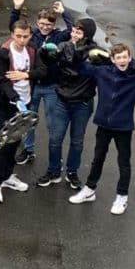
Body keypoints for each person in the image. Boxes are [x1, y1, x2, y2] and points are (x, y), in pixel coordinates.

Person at [69, 44, 135, 214]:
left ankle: (122, 197)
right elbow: (80, 67)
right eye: (118, 57)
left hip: (123, 127)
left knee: (123, 163)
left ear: (129, 58)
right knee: (97, 159)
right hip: (103, 125)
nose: (122, 60)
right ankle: (89, 190)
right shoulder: (102, 72)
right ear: (112, 60)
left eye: (124, 57)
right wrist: (80, 51)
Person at [0, 19, 46, 204]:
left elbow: (43, 71)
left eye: (25, 36)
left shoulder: (33, 50)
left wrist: (26, 75)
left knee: (15, 141)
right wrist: (15, 99)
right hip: (7, 103)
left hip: (26, 102)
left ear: (30, 35)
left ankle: (7, 176)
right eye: (18, 36)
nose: (22, 40)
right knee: (3, 142)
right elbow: (2, 79)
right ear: (12, 35)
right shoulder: (4, 51)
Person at [9, 0, 72, 165]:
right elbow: (13, 27)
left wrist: (64, 12)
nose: (45, 27)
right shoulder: (32, 37)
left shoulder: (59, 36)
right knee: (29, 119)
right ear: (37, 23)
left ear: (53, 24)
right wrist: (17, 8)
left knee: (53, 122)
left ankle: (54, 152)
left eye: (48, 24)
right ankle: (28, 150)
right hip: (34, 85)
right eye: (42, 24)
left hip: (52, 86)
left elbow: (74, 29)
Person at [38, 18, 100, 189]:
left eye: (78, 32)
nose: (74, 35)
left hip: (83, 103)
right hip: (62, 99)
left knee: (77, 141)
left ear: (87, 35)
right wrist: (45, 53)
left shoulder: (95, 53)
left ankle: (72, 172)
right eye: (73, 31)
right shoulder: (64, 46)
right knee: (55, 139)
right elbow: (49, 61)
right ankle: (53, 170)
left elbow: (105, 70)